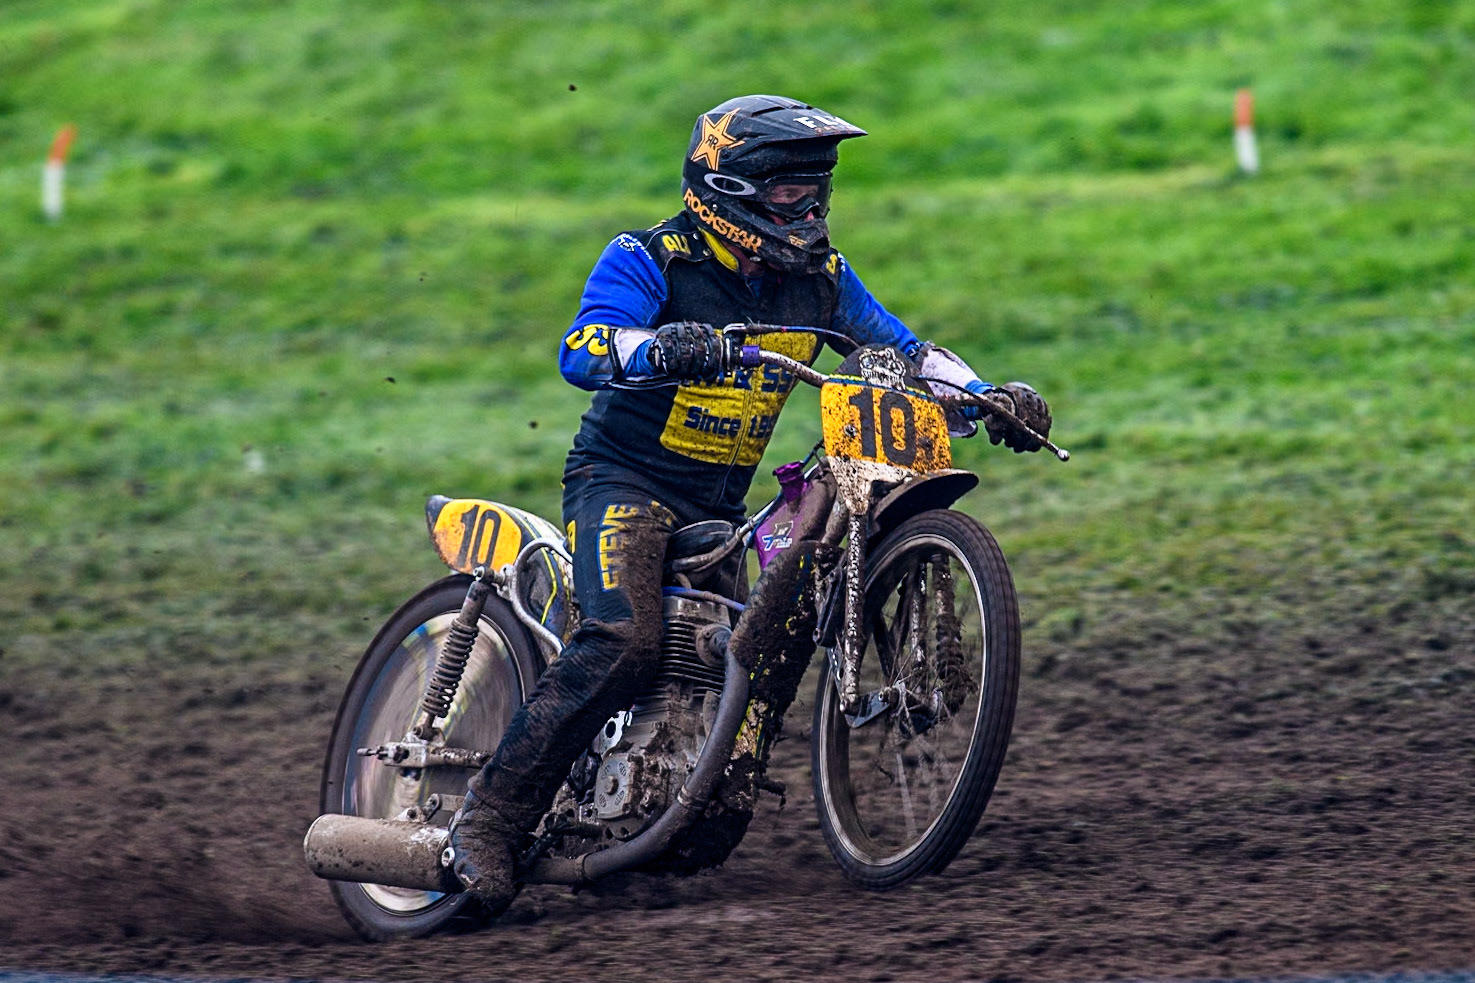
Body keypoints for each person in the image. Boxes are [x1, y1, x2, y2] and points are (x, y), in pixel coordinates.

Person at [446, 94, 1052, 909]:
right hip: (624, 481)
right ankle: (485, 820)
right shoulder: (650, 256)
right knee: (623, 638)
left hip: (720, 507)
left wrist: (989, 397)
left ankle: (688, 792)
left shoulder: (822, 280)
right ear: (727, 188)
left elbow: (906, 353)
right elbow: (582, 346)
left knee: (769, 634)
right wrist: (659, 343)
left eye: (815, 191)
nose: (806, 208)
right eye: (786, 193)